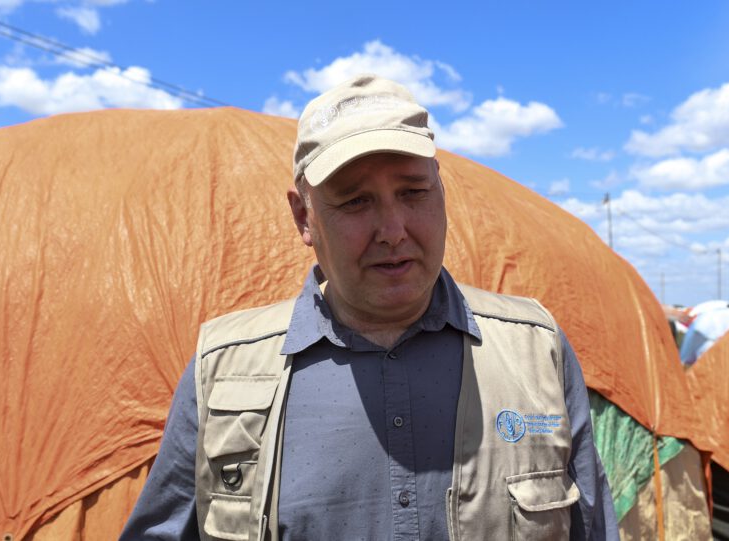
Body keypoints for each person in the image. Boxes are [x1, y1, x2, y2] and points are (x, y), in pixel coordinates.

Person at [120, 74, 619, 540]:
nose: (394, 230)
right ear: (304, 217)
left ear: (441, 190)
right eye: (356, 202)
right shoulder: (224, 371)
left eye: (413, 192)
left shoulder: (535, 350)